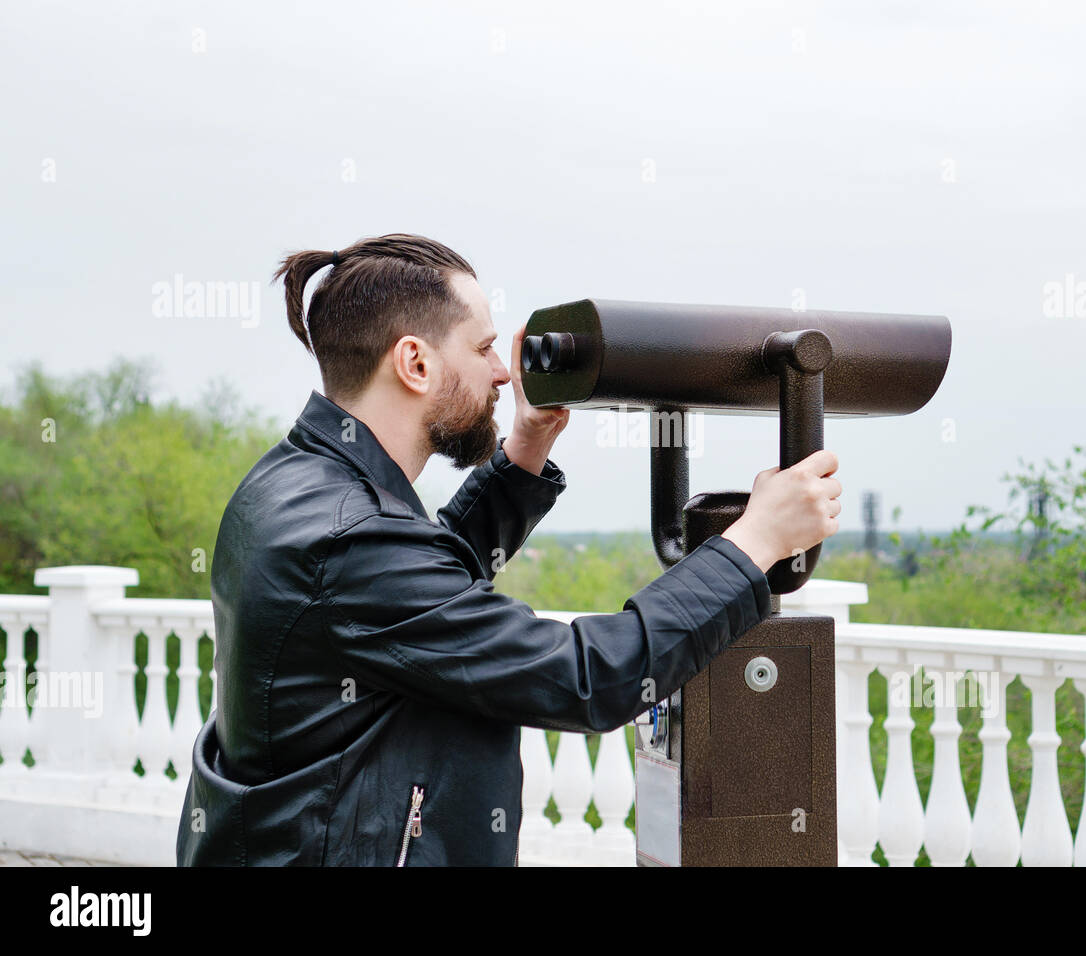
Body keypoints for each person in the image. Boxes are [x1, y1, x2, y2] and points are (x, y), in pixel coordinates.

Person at [175, 233, 842, 866]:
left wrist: (522, 452)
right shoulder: (348, 539)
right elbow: (588, 679)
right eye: (483, 347)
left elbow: (417, 605)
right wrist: (755, 541)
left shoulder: (291, 482)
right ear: (415, 362)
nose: (501, 373)